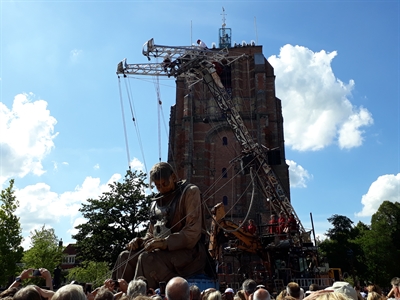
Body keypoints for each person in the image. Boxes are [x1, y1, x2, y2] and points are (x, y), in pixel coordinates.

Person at [113, 162, 207, 289]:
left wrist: (165, 243)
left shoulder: (189, 192)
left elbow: (193, 232)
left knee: (147, 258)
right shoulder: (155, 203)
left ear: (173, 177)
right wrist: (140, 241)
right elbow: (151, 233)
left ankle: (140, 296)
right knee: (125, 257)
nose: (162, 189)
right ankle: (118, 294)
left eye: (165, 184)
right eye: (157, 186)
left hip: (190, 253)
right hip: (162, 252)